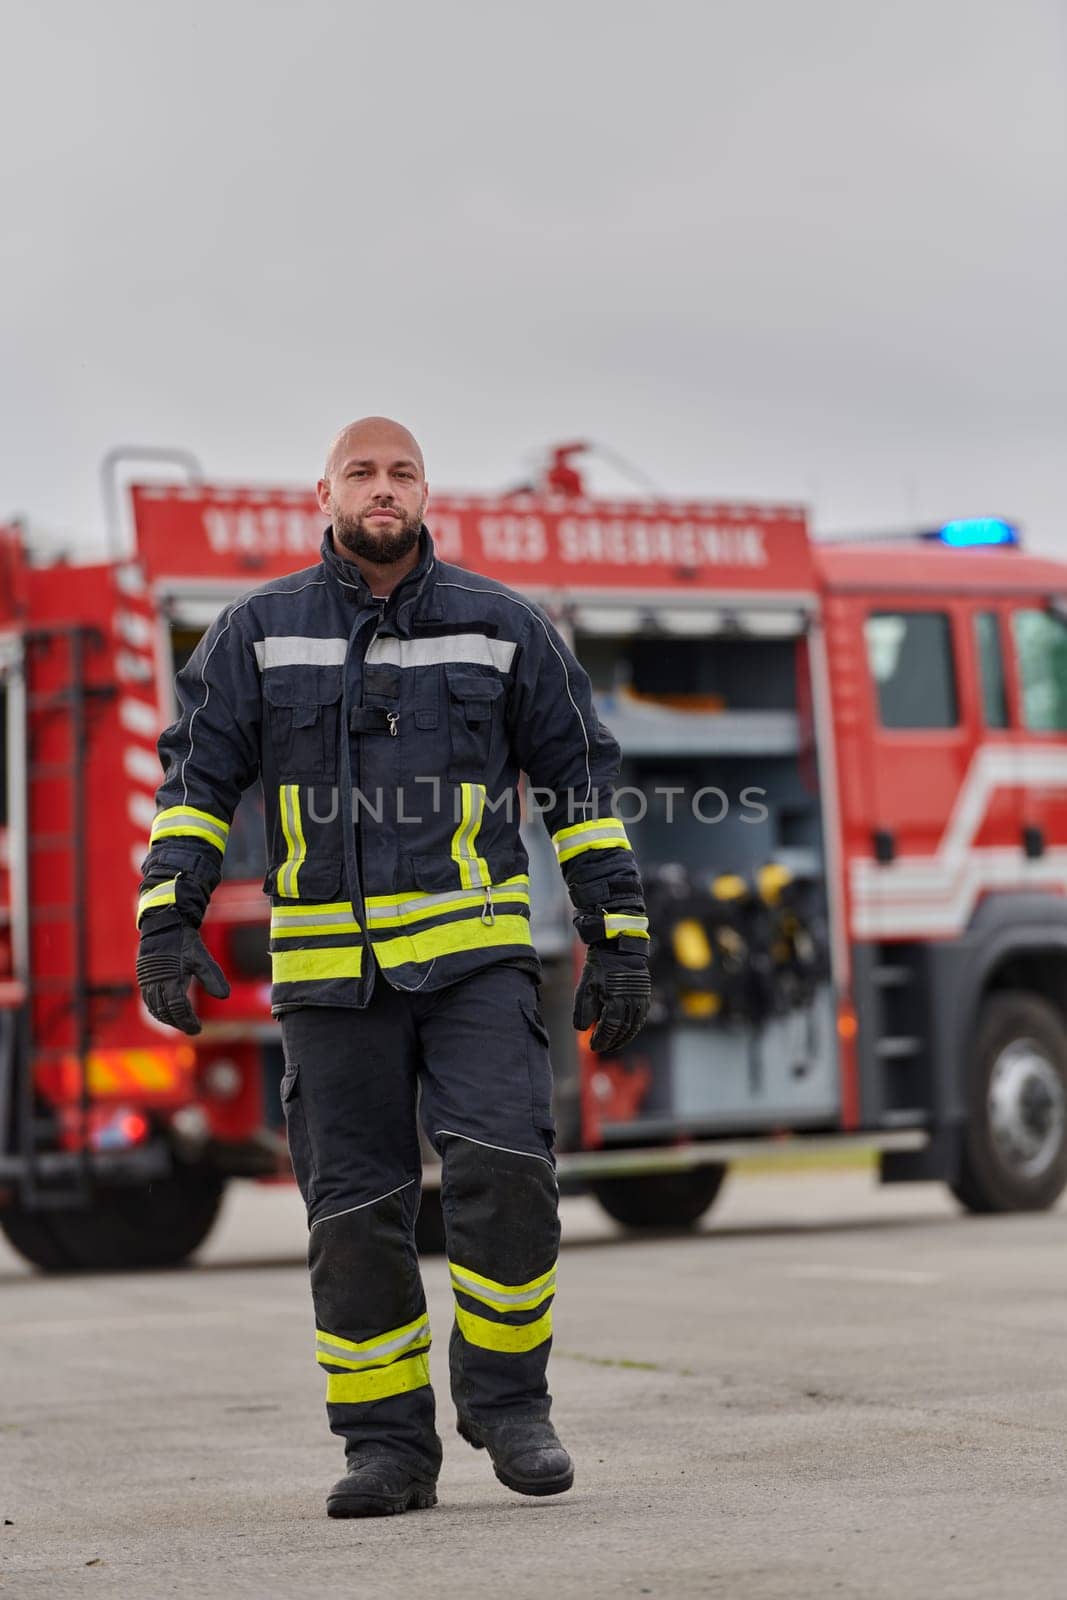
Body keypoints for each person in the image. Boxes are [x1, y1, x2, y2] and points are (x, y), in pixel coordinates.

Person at [135, 417, 651, 1518]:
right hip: (330, 984)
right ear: (322, 491)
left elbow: (581, 791)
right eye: (362, 472)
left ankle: (510, 1408)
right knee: (352, 1214)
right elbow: (195, 787)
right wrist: (164, 921)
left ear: (425, 491)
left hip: (475, 967)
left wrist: (619, 935)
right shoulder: (256, 633)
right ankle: (386, 1449)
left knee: (508, 1172)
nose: (383, 488)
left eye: (401, 472)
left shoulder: (505, 626)